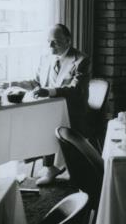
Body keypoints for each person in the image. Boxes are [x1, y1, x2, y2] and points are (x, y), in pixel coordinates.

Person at [22, 23, 91, 185]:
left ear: (68, 40)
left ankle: (52, 166)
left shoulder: (81, 60)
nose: (50, 45)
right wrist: (12, 84)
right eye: (48, 41)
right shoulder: (46, 58)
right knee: (28, 120)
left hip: (72, 111)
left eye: (55, 41)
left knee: (48, 123)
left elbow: (76, 90)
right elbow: (36, 83)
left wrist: (50, 91)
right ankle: (44, 161)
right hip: (48, 110)